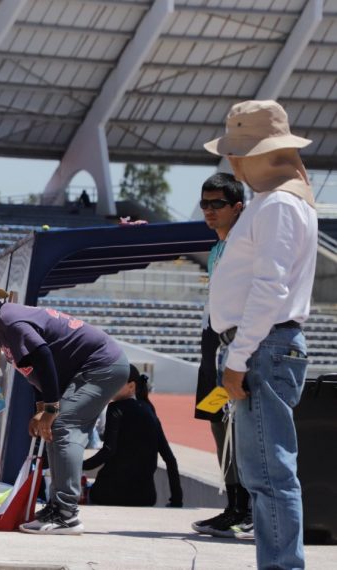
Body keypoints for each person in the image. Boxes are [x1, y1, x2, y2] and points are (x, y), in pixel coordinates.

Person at [204, 100, 317, 570]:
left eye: (239, 152)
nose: (232, 162)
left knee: (268, 474)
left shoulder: (275, 207)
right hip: (263, 346)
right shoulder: (279, 204)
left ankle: (281, 567)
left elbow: (270, 289)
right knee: (266, 473)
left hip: (260, 349)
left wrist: (237, 359)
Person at [0, 273, 128, 535]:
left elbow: (43, 356)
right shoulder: (4, 325)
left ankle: (66, 514)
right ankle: (57, 506)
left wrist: (51, 409)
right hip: (84, 368)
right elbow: (32, 370)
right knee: (50, 428)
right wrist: (41, 408)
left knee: (62, 425)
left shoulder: (10, 321)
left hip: (101, 364)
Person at [190, 172, 252, 539]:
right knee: (218, 422)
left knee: (241, 426)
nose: (209, 211)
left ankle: (248, 508)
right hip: (211, 343)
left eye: (218, 205)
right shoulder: (216, 250)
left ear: (237, 207)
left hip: (234, 345)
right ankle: (233, 506)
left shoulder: (243, 246)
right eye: (204, 204)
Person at [84, 365, 183, 507]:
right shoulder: (149, 409)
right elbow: (170, 458)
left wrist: (79, 466)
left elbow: (108, 451)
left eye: (114, 383)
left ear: (131, 386)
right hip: (145, 496)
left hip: (108, 493)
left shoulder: (115, 408)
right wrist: (177, 500)